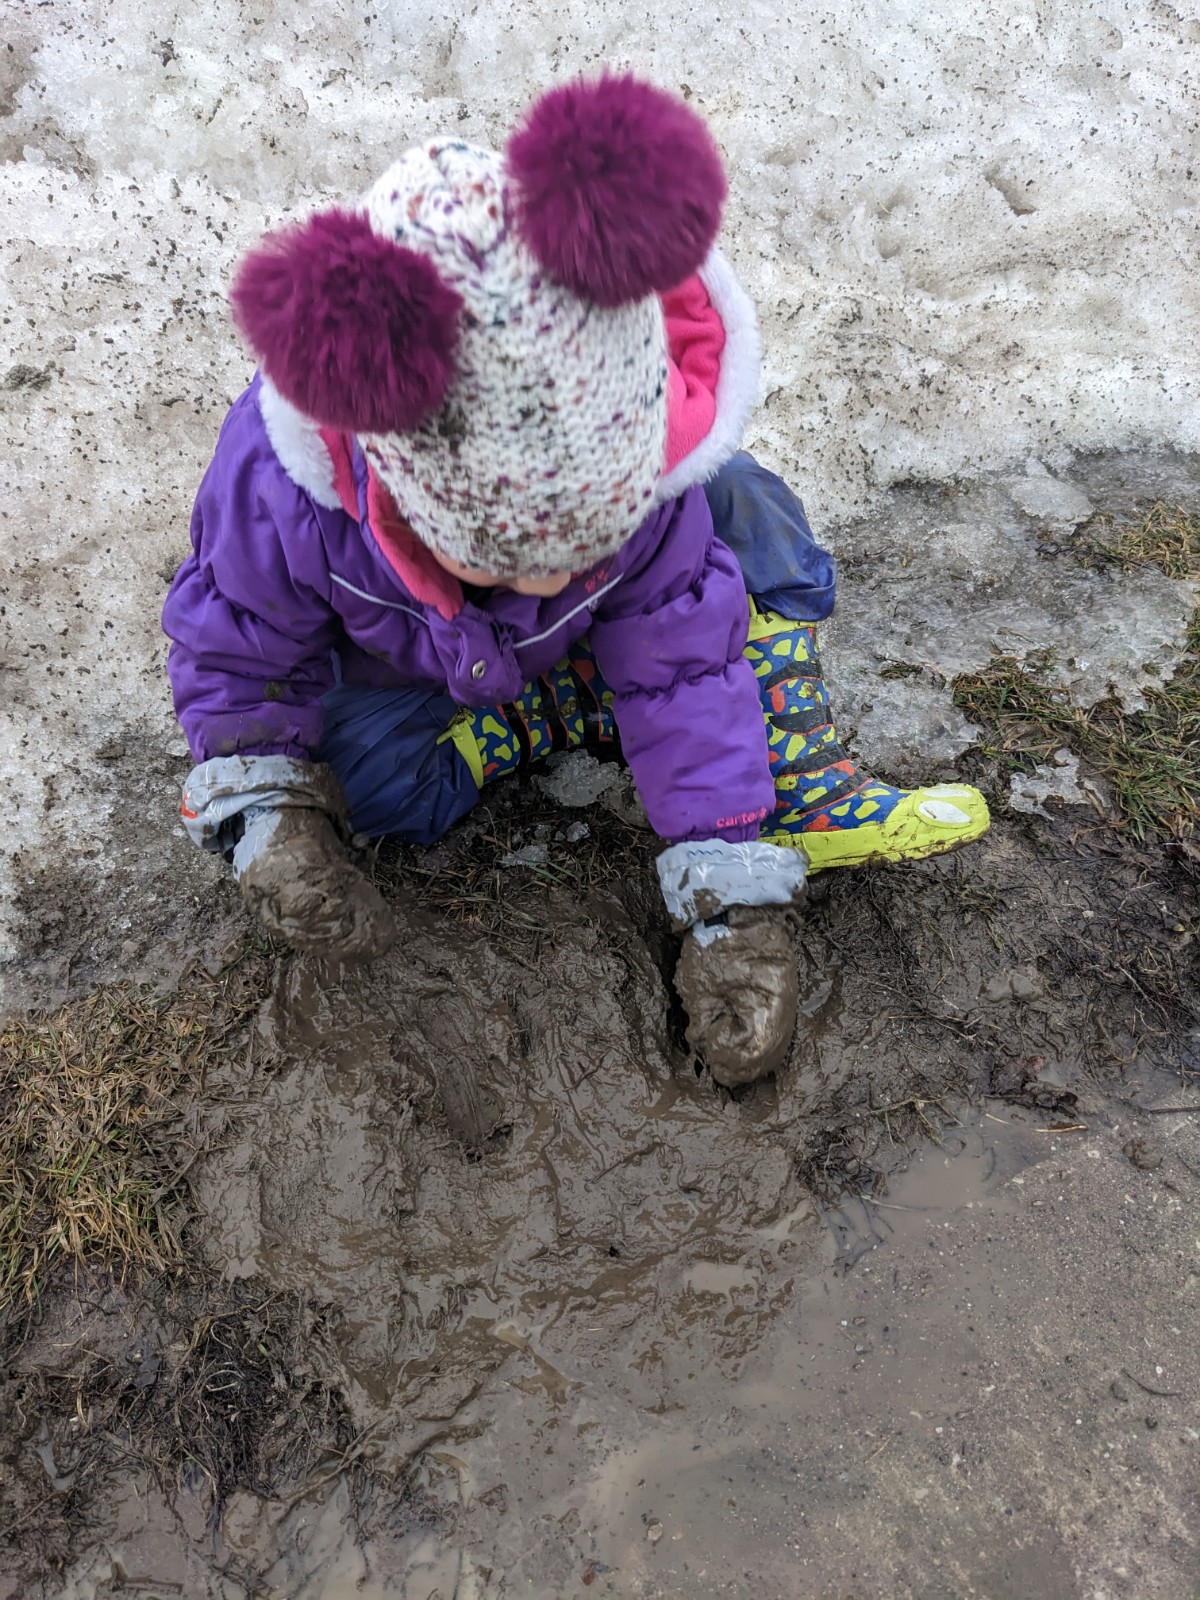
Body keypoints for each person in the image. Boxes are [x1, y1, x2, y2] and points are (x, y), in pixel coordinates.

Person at [162, 76, 988, 1086]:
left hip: (615, 615)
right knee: (364, 786)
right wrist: (267, 810)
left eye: (590, 543)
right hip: (410, 670)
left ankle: (785, 764)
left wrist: (731, 890)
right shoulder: (285, 492)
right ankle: (554, 706)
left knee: (744, 512)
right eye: (511, 557)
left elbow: (684, 654)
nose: (556, 574)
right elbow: (238, 644)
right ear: (401, 494)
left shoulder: (644, 482)